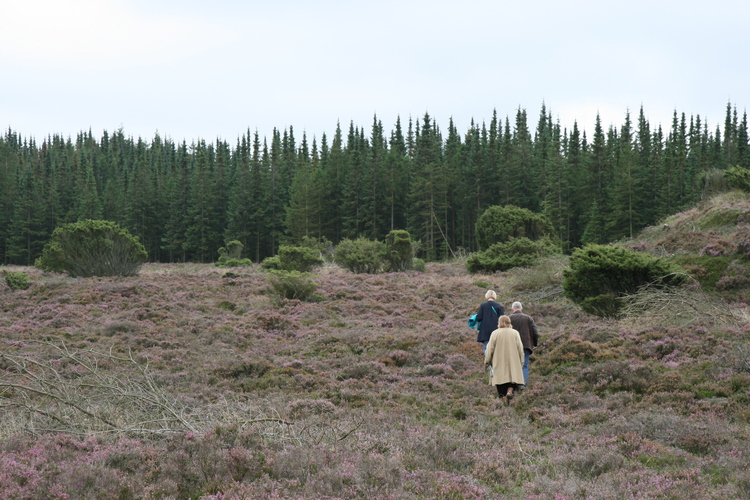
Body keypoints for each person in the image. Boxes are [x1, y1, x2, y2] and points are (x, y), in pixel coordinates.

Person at [484, 315, 524, 404]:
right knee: (513, 377)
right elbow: (520, 348)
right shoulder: (515, 333)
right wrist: (521, 361)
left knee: (500, 381)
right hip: (513, 360)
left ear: (499, 322)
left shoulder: (495, 333)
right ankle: (510, 390)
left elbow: (489, 348)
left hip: (498, 361)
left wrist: (487, 361)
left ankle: (504, 400)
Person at [509, 301, 539, 389]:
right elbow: (535, 332)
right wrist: (534, 344)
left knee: (513, 365)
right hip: (526, 345)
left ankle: (513, 385)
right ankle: (522, 385)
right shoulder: (528, 318)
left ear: (512, 309)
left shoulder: (508, 318)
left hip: (512, 346)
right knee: (524, 365)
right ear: (521, 308)